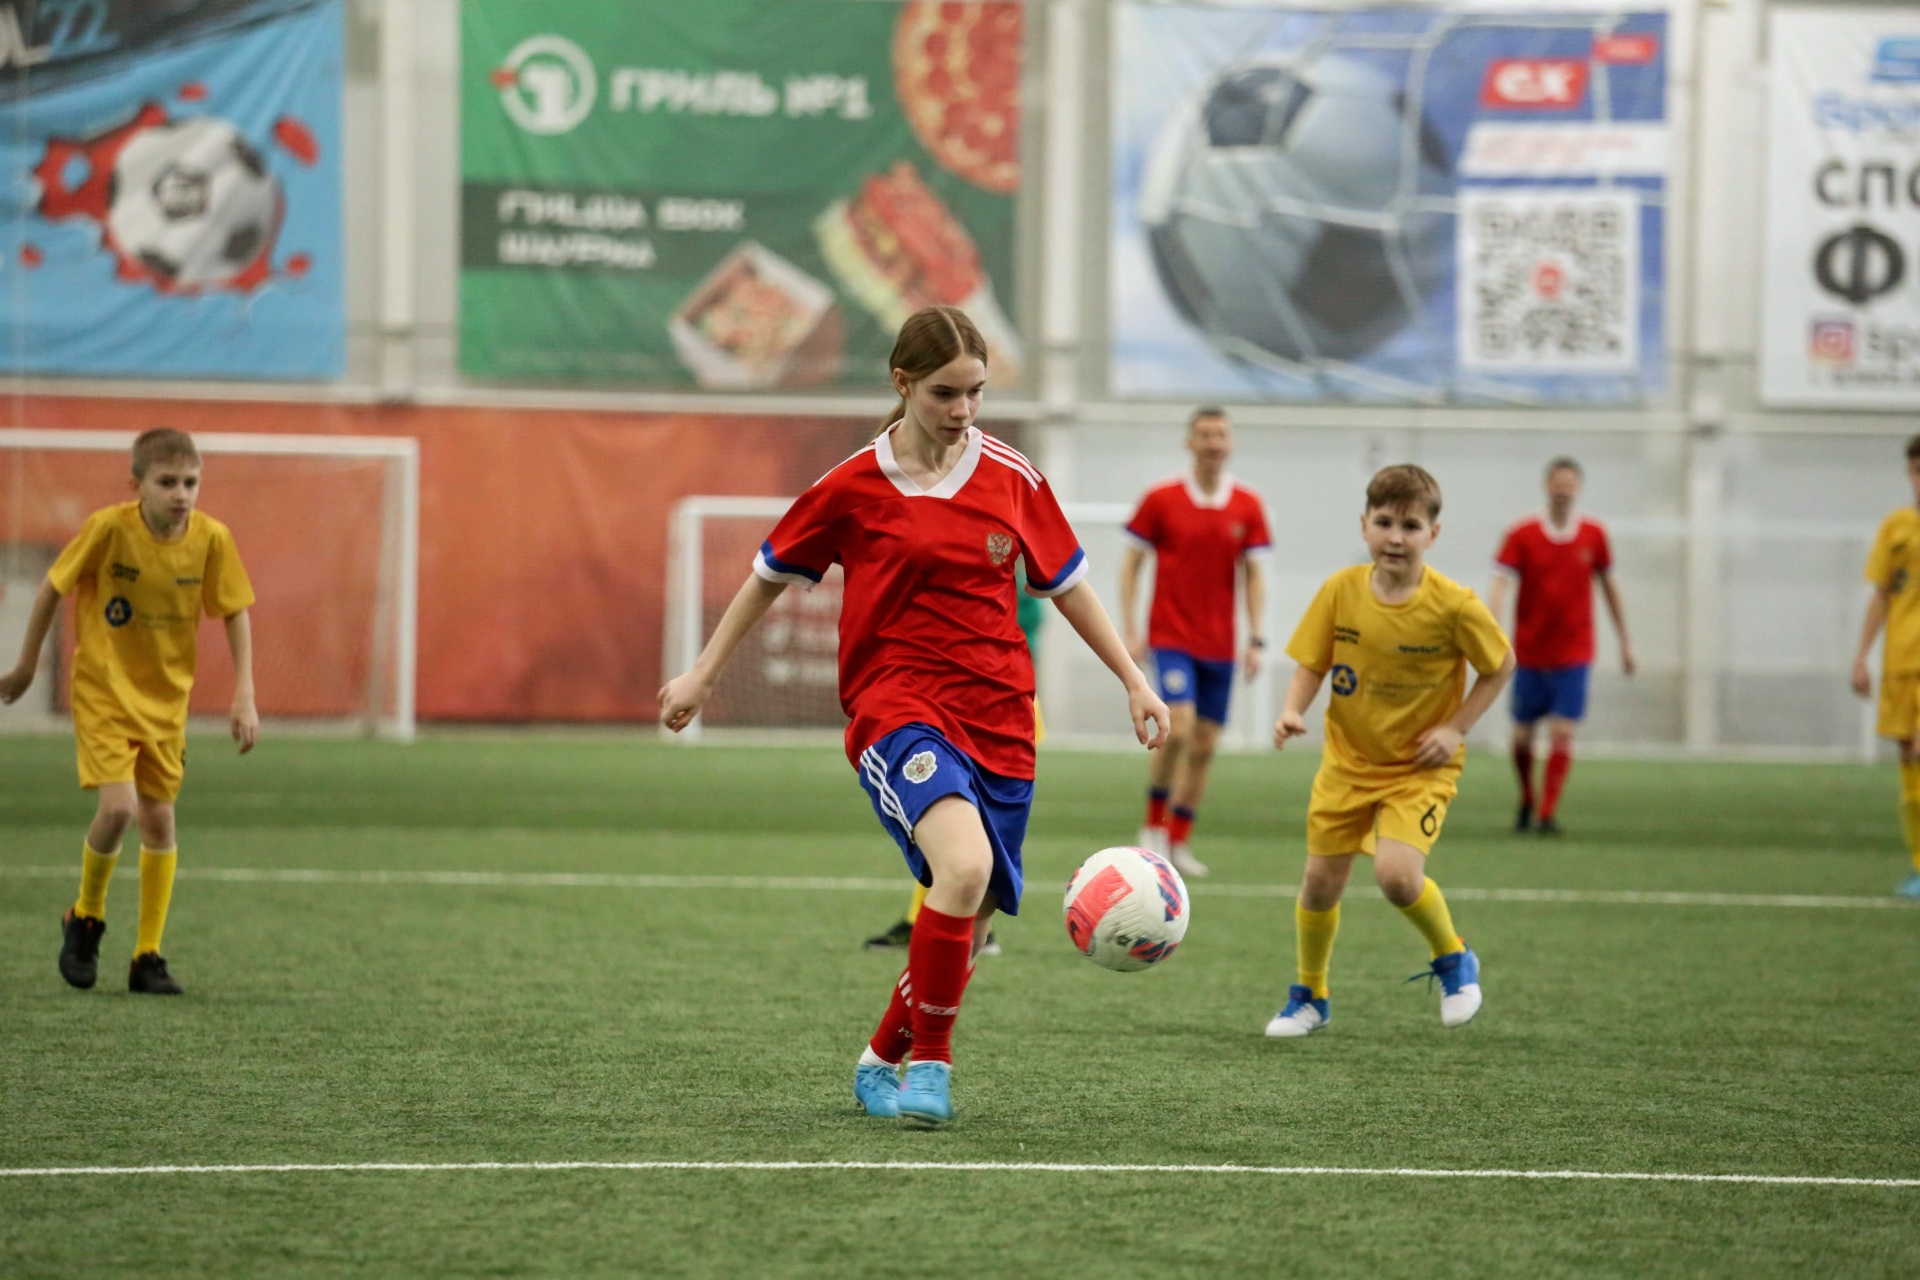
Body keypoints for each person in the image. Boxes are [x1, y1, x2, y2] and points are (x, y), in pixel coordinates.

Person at [659, 306, 1166, 1125]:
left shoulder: (1013, 476)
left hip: (1002, 717)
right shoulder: (852, 485)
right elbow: (768, 574)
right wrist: (703, 673)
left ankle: (878, 1061)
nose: (964, 410)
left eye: (976, 392)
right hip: (897, 707)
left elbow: (1067, 587)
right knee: (961, 871)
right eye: (945, 394)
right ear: (902, 383)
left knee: (971, 920)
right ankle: (932, 1064)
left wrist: (1133, 681)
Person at [0, 427, 258, 995]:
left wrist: (245, 691)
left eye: (190, 482)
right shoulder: (108, 529)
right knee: (119, 809)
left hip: (166, 702)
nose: (181, 494)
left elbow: (235, 610)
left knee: (160, 820)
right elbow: (51, 588)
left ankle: (147, 956)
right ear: (136, 484)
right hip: (104, 693)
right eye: (167, 482)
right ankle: (86, 917)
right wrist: (25, 666)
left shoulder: (212, 539)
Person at [1266, 465, 1513, 1038]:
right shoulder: (1341, 591)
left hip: (1419, 769)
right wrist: (1292, 710)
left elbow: (1500, 666)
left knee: (1397, 877)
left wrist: (1455, 729)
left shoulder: (1454, 606)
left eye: (1410, 526)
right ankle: (1310, 996)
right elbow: (1312, 664)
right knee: (1319, 884)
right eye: (1383, 523)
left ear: (1433, 534)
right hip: (1347, 763)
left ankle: (1454, 958)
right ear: (1364, 525)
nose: (1395, 537)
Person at [1119, 407, 1271, 878]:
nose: (1213, 442)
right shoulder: (1160, 499)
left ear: (1230, 443)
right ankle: (1152, 829)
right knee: (1179, 728)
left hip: (1220, 645)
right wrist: (1130, 628)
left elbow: (1254, 575)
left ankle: (1179, 841)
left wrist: (1256, 638)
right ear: (1190, 442)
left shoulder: (1247, 505)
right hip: (1171, 637)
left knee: (1204, 745)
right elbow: (1131, 564)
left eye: (1220, 434)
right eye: (1204, 434)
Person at [862, 574, 1042, 954]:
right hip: (945, 695)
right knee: (949, 815)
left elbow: (1058, 593)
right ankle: (933, 917)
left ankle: (956, 916)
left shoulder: (1010, 574)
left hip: (995, 699)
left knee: (962, 824)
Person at [1487, 458, 1633, 835]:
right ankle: (1527, 796)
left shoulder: (1594, 534)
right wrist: (1492, 631)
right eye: (1557, 483)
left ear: (1578, 488)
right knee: (1523, 735)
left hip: (1574, 651)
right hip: (1530, 651)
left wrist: (1625, 642)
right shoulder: (1522, 533)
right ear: (1546, 486)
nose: (1563, 490)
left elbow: (1609, 587)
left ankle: (1546, 813)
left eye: (1569, 483)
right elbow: (1500, 582)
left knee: (1563, 730)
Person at [1852, 433, 1920, 898]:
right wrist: (1861, 656)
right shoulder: (1896, 527)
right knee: (1909, 765)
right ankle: (1919, 865)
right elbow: (1881, 595)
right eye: (1917, 471)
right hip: (1900, 662)